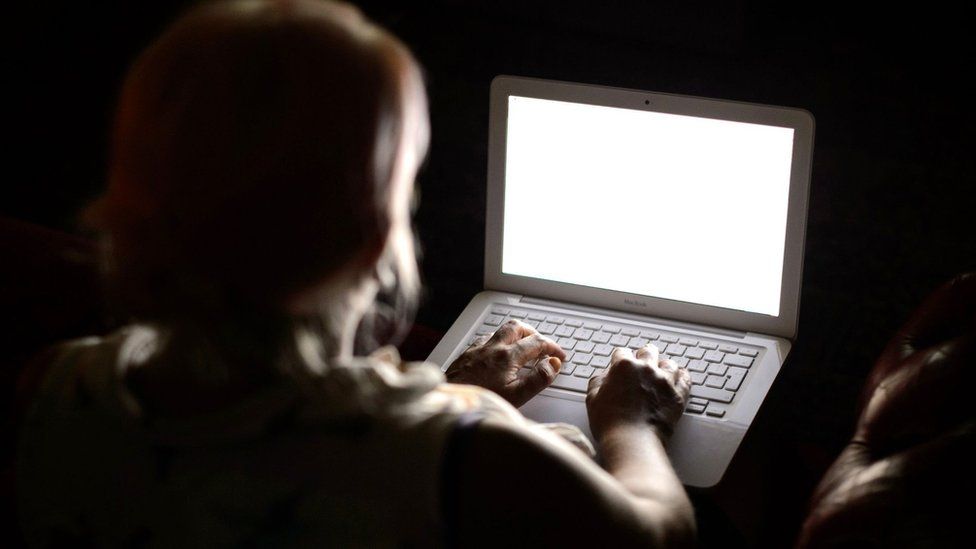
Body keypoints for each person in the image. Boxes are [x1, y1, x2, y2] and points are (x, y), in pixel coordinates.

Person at [15, 1, 695, 547]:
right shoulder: (465, 455)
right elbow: (661, 532)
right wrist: (629, 425)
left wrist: (442, 392)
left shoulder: (53, 388)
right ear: (375, 237)